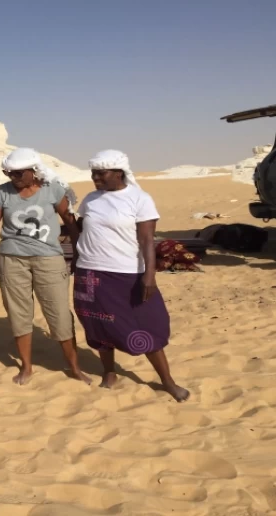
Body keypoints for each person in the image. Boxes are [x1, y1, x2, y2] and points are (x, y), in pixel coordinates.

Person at [73, 149, 189, 402]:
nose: (95, 178)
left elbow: (147, 239)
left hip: (126, 273)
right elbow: (82, 229)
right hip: (90, 271)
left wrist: (150, 275)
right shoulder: (91, 199)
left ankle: (167, 381)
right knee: (98, 322)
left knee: (148, 324)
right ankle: (109, 372)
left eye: (101, 173)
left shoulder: (139, 198)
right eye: (93, 173)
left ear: (118, 172)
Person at [0, 148, 90, 385]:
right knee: (19, 314)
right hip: (11, 260)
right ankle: (26, 367)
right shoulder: (1, 193)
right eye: (9, 173)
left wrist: (79, 252)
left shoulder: (53, 189)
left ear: (33, 171)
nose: (13, 178)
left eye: (19, 173)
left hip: (48, 259)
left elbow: (70, 222)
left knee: (58, 313)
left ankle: (75, 367)